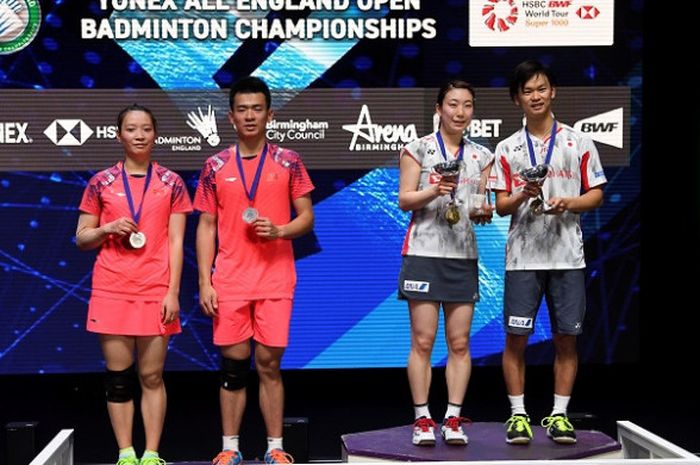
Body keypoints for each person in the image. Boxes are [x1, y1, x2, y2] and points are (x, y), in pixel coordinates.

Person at [194, 76, 315, 465]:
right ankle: (230, 447)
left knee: (268, 365)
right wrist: (204, 281)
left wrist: (280, 230)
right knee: (233, 368)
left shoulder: (289, 161)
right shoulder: (214, 166)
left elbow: (307, 217)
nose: (250, 116)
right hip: (229, 280)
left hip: (276, 279)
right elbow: (206, 225)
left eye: (257, 108)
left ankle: (275, 447)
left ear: (269, 114)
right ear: (231, 117)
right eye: (242, 109)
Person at [491, 60, 607, 445]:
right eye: (528, 91)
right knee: (515, 340)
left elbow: (597, 194)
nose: (536, 96)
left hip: (567, 258)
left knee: (566, 340)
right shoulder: (507, 148)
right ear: (517, 99)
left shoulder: (578, 142)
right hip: (522, 258)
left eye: (541, 89)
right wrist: (523, 193)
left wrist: (569, 203)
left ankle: (559, 415)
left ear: (552, 91)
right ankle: (518, 415)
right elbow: (501, 206)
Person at [76, 104, 192, 465]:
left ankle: (151, 453)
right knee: (118, 378)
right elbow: (82, 237)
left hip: (156, 290)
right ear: (118, 135)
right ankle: (126, 453)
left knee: (152, 375)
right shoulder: (101, 183)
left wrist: (172, 292)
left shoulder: (172, 183)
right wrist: (107, 228)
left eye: (145, 129)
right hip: (112, 288)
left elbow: (176, 242)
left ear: (155, 134)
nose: (139, 135)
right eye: (131, 129)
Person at [398, 80, 494, 446]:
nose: (460, 112)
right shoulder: (417, 149)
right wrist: (433, 189)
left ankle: (453, 417)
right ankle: (422, 418)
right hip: (423, 253)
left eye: (467, 105)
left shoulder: (482, 157)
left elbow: (477, 205)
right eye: (453, 104)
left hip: (462, 256)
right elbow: (405, 200)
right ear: (439, 108)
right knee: (423, 341)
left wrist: (483, 211)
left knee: (460, 342)